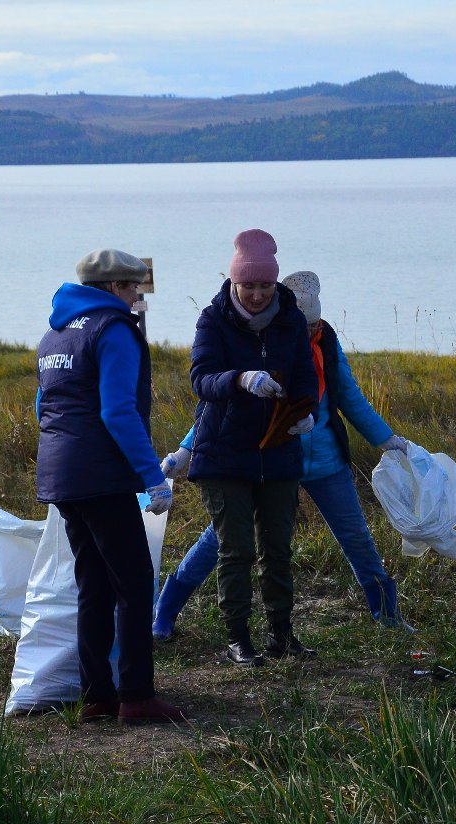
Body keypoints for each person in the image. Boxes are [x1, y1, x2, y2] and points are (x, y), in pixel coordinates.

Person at [154, 270, 413, 642]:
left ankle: (387, 615)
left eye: (313, 326)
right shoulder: (268, 338)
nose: (308, 333)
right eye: (303, 326)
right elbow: (218, 408)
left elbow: (351, 398)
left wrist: (387, 440)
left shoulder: (325, 343)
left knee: (356, 535)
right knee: (220, 540)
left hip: (325, 461)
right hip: (270, 461)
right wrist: (185, 449)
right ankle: (165, 610)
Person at [35, 247, 186, 725]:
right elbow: (118, 411)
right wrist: (152, 479)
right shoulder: (113, 329)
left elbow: (44, 405)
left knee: (93, 585)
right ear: (114, 289)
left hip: (62, 475)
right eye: (134, 287)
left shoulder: (55, 332)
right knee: (135, 585)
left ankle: (97, 694)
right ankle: (137, 696)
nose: (139, 296)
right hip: (102, 475)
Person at [187, 229, 319, 667]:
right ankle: (238, 639)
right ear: (234, 282)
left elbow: (303, 374)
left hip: (279, 450)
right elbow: (201, 379)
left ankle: (282, 635)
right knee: (237, 550)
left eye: (265, 285)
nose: (258, 294)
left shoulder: (291, 319)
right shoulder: (213, 319)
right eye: (250, 286)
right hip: (224, 454)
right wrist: (239, 379)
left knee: (278, 549)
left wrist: (307, 411)